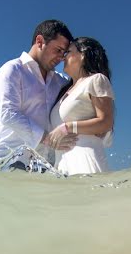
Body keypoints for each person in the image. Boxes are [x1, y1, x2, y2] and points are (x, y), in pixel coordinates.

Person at [0, 20, 77, 168]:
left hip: (46, 165)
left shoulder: (60, 81)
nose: (61, 58)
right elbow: (8, 114)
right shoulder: (12, 70)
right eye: (58, 50)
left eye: (64, 53)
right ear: (40, 41)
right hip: (9, 160)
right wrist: (48, 139)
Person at [45, 37, 114, 175]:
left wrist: (68, 127)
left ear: (83, 55)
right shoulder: (64, 91)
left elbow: (106, 122)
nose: (63, 58)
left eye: (68, 52)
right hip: (61, 165)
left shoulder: (96, 79)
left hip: (85, 161)